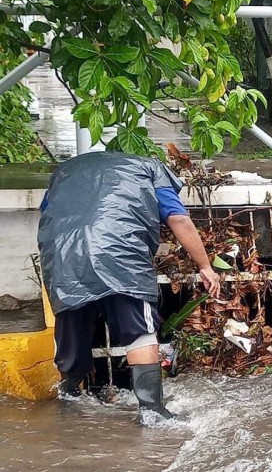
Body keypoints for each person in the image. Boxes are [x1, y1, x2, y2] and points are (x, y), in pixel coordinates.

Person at [38, 151, 221, 422]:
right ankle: (151, 412)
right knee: (140, 331)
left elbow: (48, 215)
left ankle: (69, 402)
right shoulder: (151, 170)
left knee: (71, 328)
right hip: (120, 256)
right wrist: (205, 266)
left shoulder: (64, 173)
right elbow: (178, 219)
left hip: (64, 258)